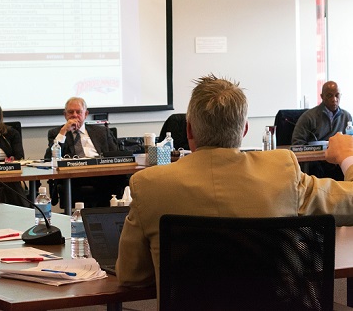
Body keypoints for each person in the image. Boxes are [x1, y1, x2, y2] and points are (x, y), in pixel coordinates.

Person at [116, 74, 353, 294]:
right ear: (244, 130)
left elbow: (131, 276)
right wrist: (347, 158)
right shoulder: (282, 172)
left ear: (189, 130)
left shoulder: (149, 185)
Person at [44, 97, 127, 207]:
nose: (74, 115)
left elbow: (115, 155)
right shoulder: (56, 133)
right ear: (65, 115)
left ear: (86, 113)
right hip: (75, 177)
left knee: (124, 178)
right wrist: (63, 132)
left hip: (102, 174)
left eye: (78, 112)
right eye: (70, 112)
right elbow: (49, 158)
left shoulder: (102, 131)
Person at [292, 80, 352, 180]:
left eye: (337, 95)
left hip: (338, 161)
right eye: (329, 96)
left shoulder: (347, 116)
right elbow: (297, 144)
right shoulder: (308, 117)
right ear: (322, 96)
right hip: (317, 163)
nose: (334, 99)